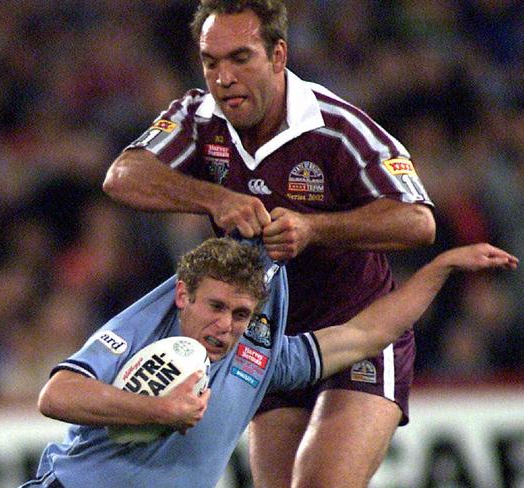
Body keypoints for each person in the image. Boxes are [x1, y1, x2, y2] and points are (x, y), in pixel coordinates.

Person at [102, 1, 436, 486]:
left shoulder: (337, 128)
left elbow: (417, 220)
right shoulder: (199, 117)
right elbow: (122, 176)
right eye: (211, 61)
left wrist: (315, 228)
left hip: (357, 333)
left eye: (240, 58)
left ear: (278, 56)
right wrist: (215, 199)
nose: (224, 77)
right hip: (269, 341)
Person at [19, 237, 517, 488]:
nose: (226, 326)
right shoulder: (146, 330)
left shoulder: (261, 362)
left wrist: (441, 268)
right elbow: (57, 396)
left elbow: (368, 334)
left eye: (241, 314)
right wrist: (161, 411)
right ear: (183, 296)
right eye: (215, 307)